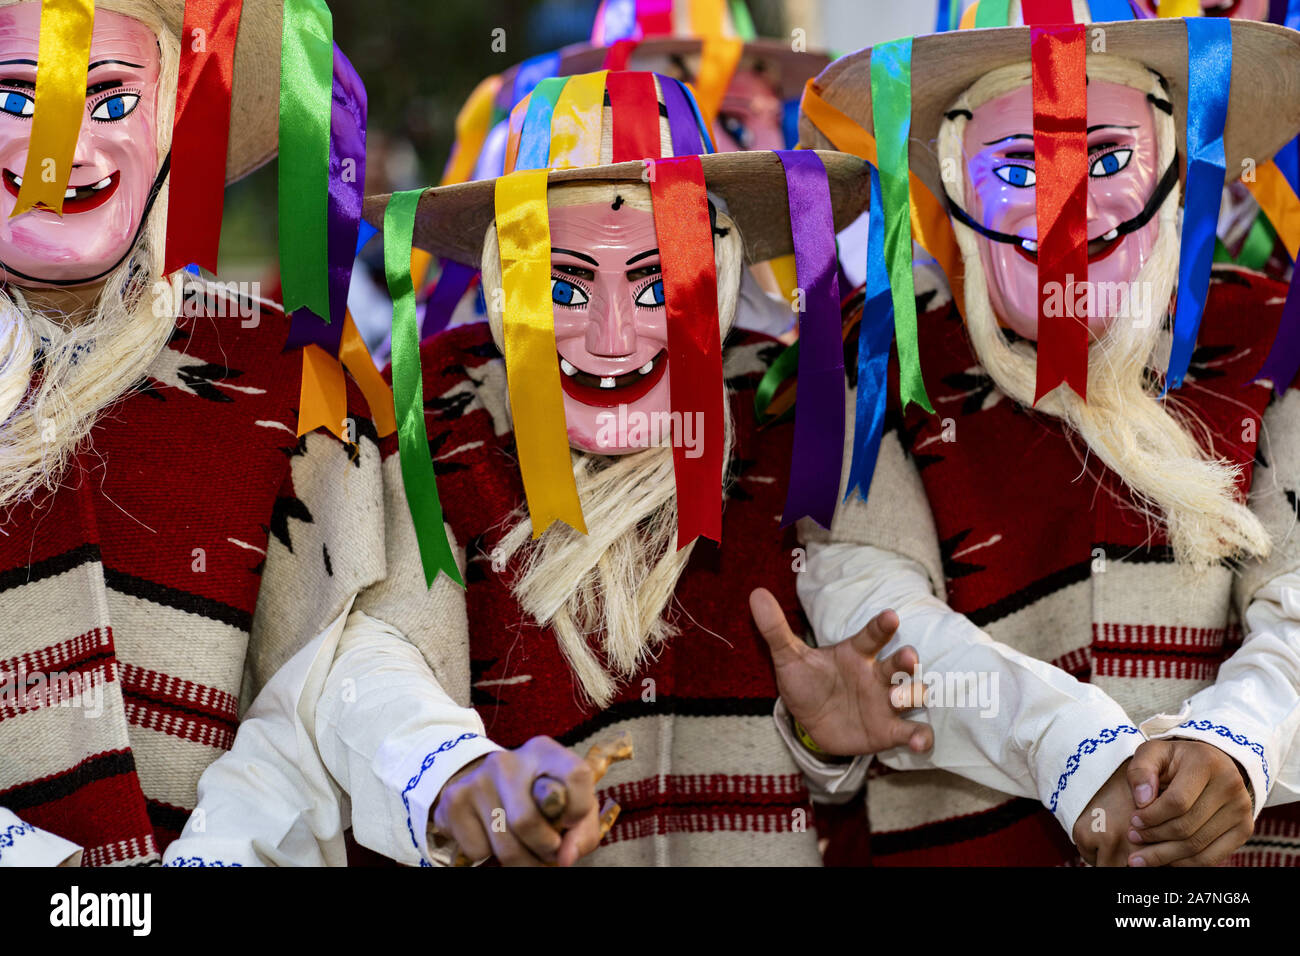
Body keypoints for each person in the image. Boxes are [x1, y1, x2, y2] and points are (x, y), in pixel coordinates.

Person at [350, 68, 936, 866]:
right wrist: (454, 774)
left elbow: (887, 677)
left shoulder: (795, 413)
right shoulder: (428, 423)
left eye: (660, 282)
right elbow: (381, 661)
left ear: (721, 278)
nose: (614, 337)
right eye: (563, 283)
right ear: (499, 283)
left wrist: (824, 745)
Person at [780, 14, 1300, 865]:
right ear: (953, 182)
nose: (1066, 209)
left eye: (1105, 161)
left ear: (1174, 166)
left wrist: (1239, 741)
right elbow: (874, 613)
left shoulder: (1275, 342)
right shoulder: (878, 370)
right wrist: (1075, 750)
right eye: (1018, 166)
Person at [0, 0, 488, 870]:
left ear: (175, 120)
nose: (62, 152)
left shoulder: (283, 370)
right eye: (12, 99)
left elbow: (335, 658)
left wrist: (437, 767)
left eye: (109, 101)